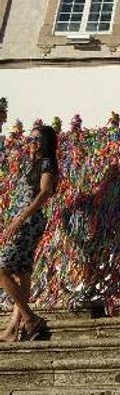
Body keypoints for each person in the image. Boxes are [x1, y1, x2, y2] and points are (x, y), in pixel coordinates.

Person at [0, 124, 58, 342]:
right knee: (23, 272)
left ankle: (30, 318)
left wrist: (20, 219)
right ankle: (15, 327)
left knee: (2, 270)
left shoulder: (46, 163)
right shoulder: (33, 164)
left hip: (29, 222)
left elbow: (44, 193)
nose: (31, 142)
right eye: (30, 139)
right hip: (25, 220)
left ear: (45, 142)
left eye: (36, 139)